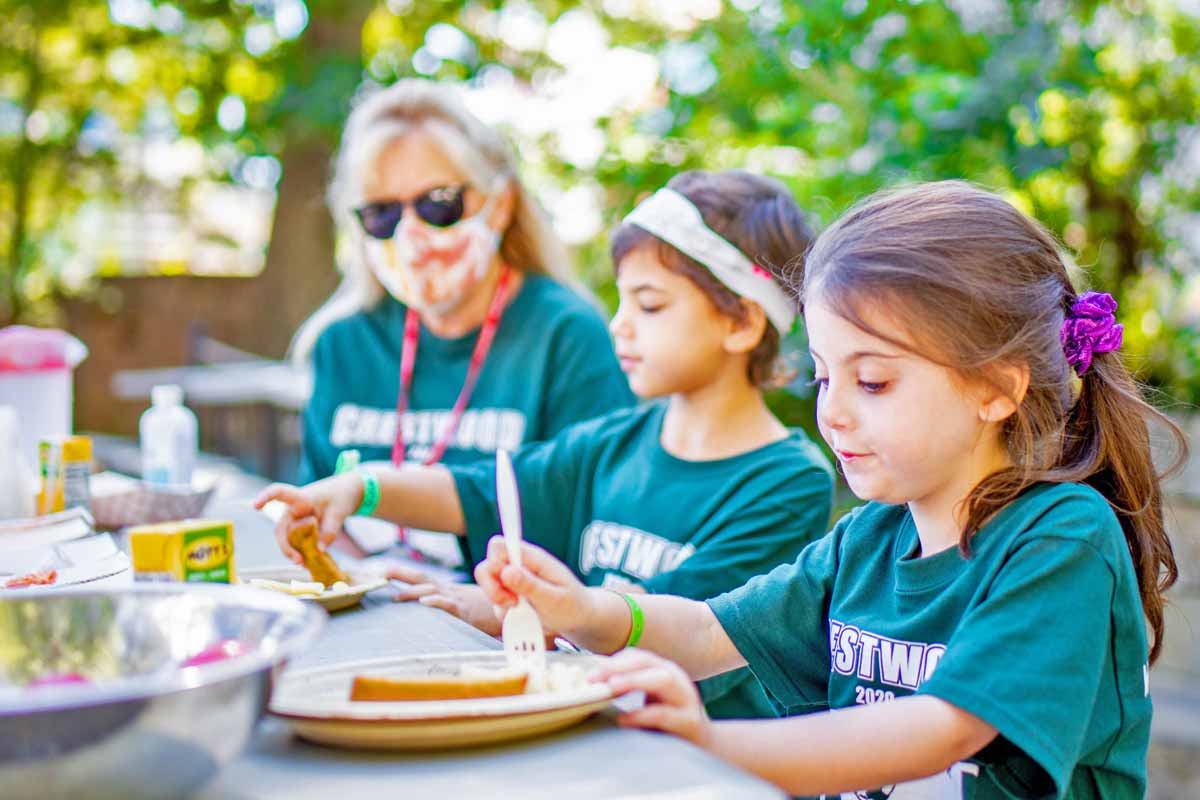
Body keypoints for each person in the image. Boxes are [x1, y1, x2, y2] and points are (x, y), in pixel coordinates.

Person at [475, 181, 1186, 798]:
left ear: (997, 388)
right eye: (823, 375)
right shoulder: (869, 538)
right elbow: (705, 632)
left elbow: (941, 728)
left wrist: (709, 744)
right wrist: (583, 610)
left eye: (872, 381)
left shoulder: (1062, 539)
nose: (832, 411)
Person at [257, 170, 835, 719]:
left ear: (741, 324)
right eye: (622, 301)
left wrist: (504, 609)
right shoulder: (613, 442)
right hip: (593, 727)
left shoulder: (786, 482)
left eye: (650, 304)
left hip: (695, 758)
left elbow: (687, 631)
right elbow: (480, 490)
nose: (619, 325)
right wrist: (359, 489)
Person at [290, 78, 633, 565]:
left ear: (501, 204)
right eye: (382, 214)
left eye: (439, 203)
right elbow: (317, 512)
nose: (411, 235)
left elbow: (595, 517)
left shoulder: (567, 335)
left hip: (514, 608)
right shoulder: (341, 343)